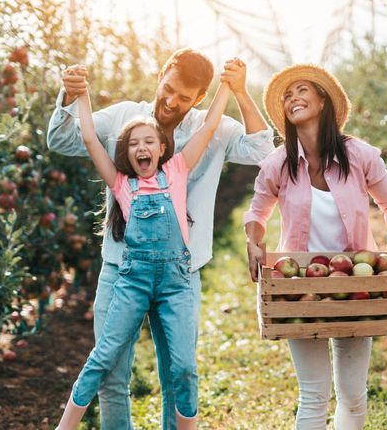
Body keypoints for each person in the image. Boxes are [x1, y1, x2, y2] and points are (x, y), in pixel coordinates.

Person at [47, 49, 274, 430]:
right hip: (122, 269)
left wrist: (237, 90)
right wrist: (72, 95)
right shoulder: (124, 118)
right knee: (112, 376)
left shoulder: (210, 129)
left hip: (180, 274)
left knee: (178, 374)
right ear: (160, 75)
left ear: (199, 98)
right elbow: (66, 139)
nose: (171, 101)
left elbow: (264, 152)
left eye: (183, 97)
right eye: (167, 89)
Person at [243, 64, 387, 430]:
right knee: (314, 393)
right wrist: (254, 243)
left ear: (322, 101)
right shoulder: (278, 164)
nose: (293, 98)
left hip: (355, 288)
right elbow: (257, 212)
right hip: (301, 285)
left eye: (302, 90)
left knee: (352, 393)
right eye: (287, 95)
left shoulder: (360, 155)